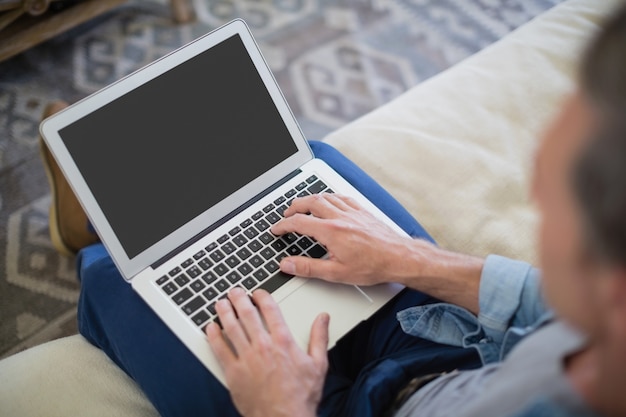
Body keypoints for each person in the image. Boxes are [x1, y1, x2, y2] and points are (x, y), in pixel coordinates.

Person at [39, 4, 626, 417]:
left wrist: (280, 407)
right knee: (309, 170)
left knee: (117, 275)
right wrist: (417, 260)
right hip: (449, 346)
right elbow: (546, 308)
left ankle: (89, 222)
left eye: (550, 200)